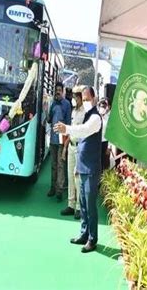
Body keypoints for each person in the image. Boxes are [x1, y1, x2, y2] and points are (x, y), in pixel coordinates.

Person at [54, 86, 102, 253]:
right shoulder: (86, 115)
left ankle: (92, 239)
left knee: (90, 205)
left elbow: (84, 130)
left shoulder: (95, 117)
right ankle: (84, 233)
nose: (86, 101)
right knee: (82, 203)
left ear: (94, 98)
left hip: (91, 168)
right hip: (82, 165)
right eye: (84, 98)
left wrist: (66, 128)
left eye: (88, 98)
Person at [60, 86, 86, 220]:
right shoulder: (74, 112)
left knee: (78, 179)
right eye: (73, 97)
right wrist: (65, 147)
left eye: (76, 97)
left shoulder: (85, 113)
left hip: (79, 147)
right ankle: (70, 204)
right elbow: (70, 130)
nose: (74, 99)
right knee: (70, 176)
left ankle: (78, 207)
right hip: (70, 146)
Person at [47, 81, 72, 201]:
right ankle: (52, 187)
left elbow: (68, 123)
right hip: (52, 139)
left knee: (61, 165)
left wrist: (67, 141)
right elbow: (48, 120)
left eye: (59, 90)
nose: (57, 92)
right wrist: (51, 107)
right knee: (53, 165)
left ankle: (59, 190)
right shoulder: (53, 103)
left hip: (62, 139)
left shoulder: (67, 104)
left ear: (63, 91)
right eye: (56, 90)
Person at [98, 98, 110, 173]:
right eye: (101, 106)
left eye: (104, 106)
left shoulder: (108, 118)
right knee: (98, 166)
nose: (103, 108)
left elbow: (111, 133)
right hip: (97, 143)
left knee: (105, 166)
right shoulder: (96, 117)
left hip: (105, 144)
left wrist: (109, 147)